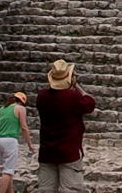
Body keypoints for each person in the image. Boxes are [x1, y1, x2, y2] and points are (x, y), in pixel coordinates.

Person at [37, 59, 96, 193]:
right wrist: (76, 85)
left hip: (47, 151)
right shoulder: (72, 97)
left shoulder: (42, 96)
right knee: (70, 189)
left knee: (45, 189)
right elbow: (90, 103)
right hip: (69, 151)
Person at [0, 92, 35, 193]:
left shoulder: (1, 109)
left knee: (7, 169)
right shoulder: (20, 109)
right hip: (10, 141)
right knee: (8, 171)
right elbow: (24, 127)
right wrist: (30, 145)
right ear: (22, 102)